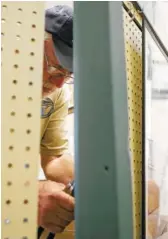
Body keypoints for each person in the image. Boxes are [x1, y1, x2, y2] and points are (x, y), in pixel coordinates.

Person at [38, 5, 75, 234]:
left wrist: (93, 184)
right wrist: (25, 196)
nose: (59, 83)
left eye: (67, 75)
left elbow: (53, 158)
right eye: (55, 68)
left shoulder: (58, 93)